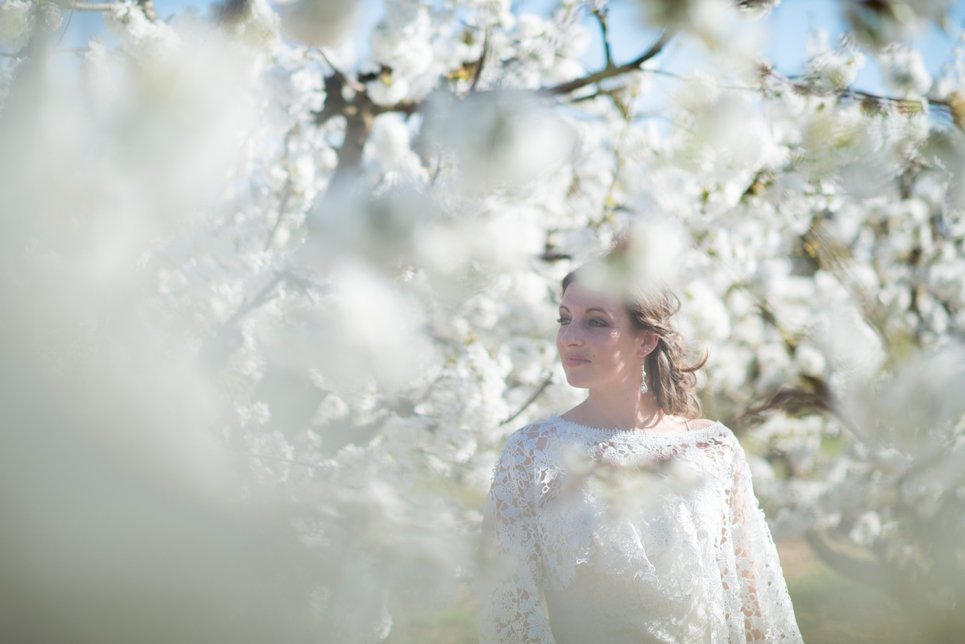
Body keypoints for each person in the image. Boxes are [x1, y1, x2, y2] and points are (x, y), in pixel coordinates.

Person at [476, 256, 804, 643]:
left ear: (646, 340)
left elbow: (757, 605)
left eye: (596, 321)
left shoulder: (713, 448)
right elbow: (508, 607)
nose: (570, 337)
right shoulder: (532, 454)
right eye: (565, 318)